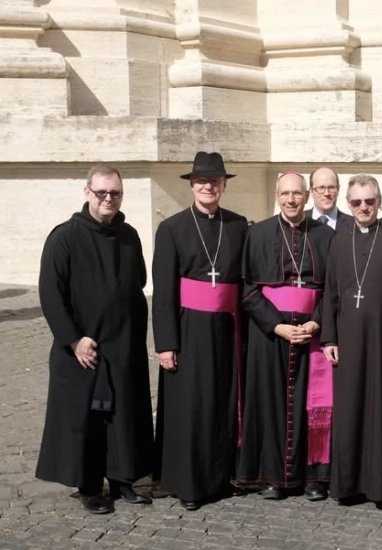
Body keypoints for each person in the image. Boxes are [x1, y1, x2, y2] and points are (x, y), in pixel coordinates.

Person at [36, 165, 154, 514]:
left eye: (115, 193)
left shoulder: (128, 235)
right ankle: (89, 487)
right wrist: (74, 340)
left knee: (122, 417)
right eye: (101, 192)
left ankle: (122, 481)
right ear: (87, 192)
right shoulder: (65, 236)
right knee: (87, 420)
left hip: (122, 345)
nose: (108, 199)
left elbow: (138, 282)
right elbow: (50, 293)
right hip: (82, 348)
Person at [152, 151, 248, 511]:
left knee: (224, 404)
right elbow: (163, 293)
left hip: (228, 327)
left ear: (224, 185)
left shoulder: (238, 225)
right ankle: (189, 483)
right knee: (193, 407)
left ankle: (222, 477)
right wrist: (166, 344)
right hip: (189, 329)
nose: (209, 186)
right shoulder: (172, 228)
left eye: (216, 181)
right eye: (202, 181)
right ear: (192, 185)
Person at [320, 173, 382, 508]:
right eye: (356, 202)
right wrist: (329, 337)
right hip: (349, 341)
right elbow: (329, 293)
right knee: (352, 409)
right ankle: (350, 484)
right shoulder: (339, 240)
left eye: (369, 201)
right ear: (348, 205)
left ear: (380, 202)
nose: (363, 207)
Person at [236, 171, 335, 501]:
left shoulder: (325, 236)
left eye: (297, 194)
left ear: (307, 196)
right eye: (285, 194)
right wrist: (276, 326)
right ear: (277, 196)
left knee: (312, 405)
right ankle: (273, 477)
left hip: (312, 335)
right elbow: (248, 290)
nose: (292, 200)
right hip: (271, 335)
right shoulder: (259, 233)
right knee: (271, 404)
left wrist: (316, 323)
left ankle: (313, 477)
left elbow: (334, 290)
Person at [305, 167, 353, 231]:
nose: (327, 193)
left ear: (338, 190)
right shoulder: (298, 222)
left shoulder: (353, 224)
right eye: (321, 188)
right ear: (311, 192)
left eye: (331, 187)